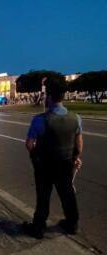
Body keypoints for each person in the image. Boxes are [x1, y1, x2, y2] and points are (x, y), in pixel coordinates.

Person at [23, 77, 83, 239]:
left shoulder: (40, 120)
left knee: (43, 195)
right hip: (65, 164)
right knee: (67, 194)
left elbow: (29, 144)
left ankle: (38, 227)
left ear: (48, 96)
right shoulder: (75, 118)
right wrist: (75, 157)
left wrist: (36, 156)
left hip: (45, 166)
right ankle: (72, 224)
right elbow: (78, 143)